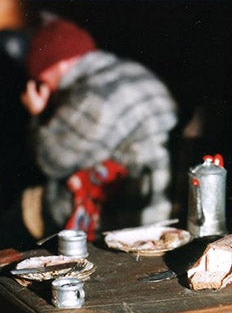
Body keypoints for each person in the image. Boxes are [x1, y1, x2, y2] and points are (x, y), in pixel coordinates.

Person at [14, 16, 179, 244]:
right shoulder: (133, 70)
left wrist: (37, 115)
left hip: (133, 214)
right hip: (165, 191)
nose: (44, 85)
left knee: (24, 211)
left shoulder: (93, 95)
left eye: (41, 78)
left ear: (57, 64)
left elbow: (51, 162)